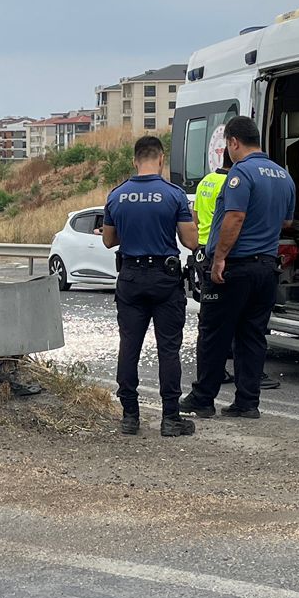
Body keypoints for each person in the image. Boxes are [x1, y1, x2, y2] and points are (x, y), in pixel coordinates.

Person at [179, 116, 294, 419]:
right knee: (252, 335)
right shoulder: (283, 176)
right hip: (267, 268)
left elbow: (234, 218)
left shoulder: (241, 174)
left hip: (235, 268)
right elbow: (287, 221)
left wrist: (219, 259)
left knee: (214, 332)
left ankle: (203, 398)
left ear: (233, 142)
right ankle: (247, 401)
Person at [101, 135, 200, 437]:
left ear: (135, 160)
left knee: (129, 346)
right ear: (160, 159)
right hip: (164, 278)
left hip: (130, 277)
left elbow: (108, 240)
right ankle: (171, 417)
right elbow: (191, 241)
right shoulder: (173, 195)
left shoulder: (116, 195)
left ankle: (130, 416)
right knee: (168, 348)